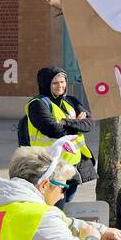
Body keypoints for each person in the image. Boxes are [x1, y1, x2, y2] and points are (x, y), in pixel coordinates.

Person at [22, 67, 95, 206]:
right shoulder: (37, 104)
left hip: (73, 166)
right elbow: (53, 130)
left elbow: (90, 124)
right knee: (54, 207)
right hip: (50, 166)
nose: (60, 86)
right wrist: (77, 125)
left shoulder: (71, 101)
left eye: (62, 82)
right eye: (55, 83)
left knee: (67, 205)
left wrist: (66, 122)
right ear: (45, 84)